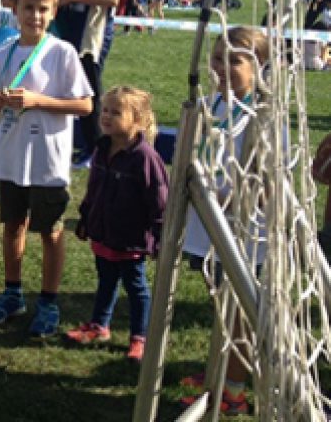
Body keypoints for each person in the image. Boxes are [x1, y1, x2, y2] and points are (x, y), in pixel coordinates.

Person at [0, 0, 93, 337]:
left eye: (43, 10)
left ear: (53, 12)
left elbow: (85, 105)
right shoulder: (5, 53)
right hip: (11, 157)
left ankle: (49, 300)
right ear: (16, 10)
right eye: (28, 8)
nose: (35, 16)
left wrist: (37, 102)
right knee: (12, 225)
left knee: (51, 231)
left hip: (48, 161)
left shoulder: (62, 53)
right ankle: (13, 293)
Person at [179, 27, 270, 416]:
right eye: (218, 58)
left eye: (235, 59)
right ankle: (217, 370)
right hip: (207, 226)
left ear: (260, 67)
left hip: (244, 233)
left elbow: (268, 181)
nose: (222, 67)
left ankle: (234, 387)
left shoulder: (263, 115)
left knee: (240, 314)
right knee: (219, 305)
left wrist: (234, 195)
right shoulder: (213, 102)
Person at [66, 86, 167, 362]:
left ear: (137, 120)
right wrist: (86, 218)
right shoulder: (101, 148)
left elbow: (158, 200)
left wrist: (159, 236)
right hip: (104, 232)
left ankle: (140, 337)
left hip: (130, 236)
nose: (106, 117)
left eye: (116, 112)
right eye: (105, 110)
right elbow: (93, 188)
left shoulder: (145, 158)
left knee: (136, 287)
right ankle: (99, 326)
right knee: (106, 280)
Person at [55, 0, 119, 169]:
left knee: (90, 92)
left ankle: (98, 150)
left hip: (93, 34)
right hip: (80, 32)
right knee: (80, 88)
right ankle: (89, 144)